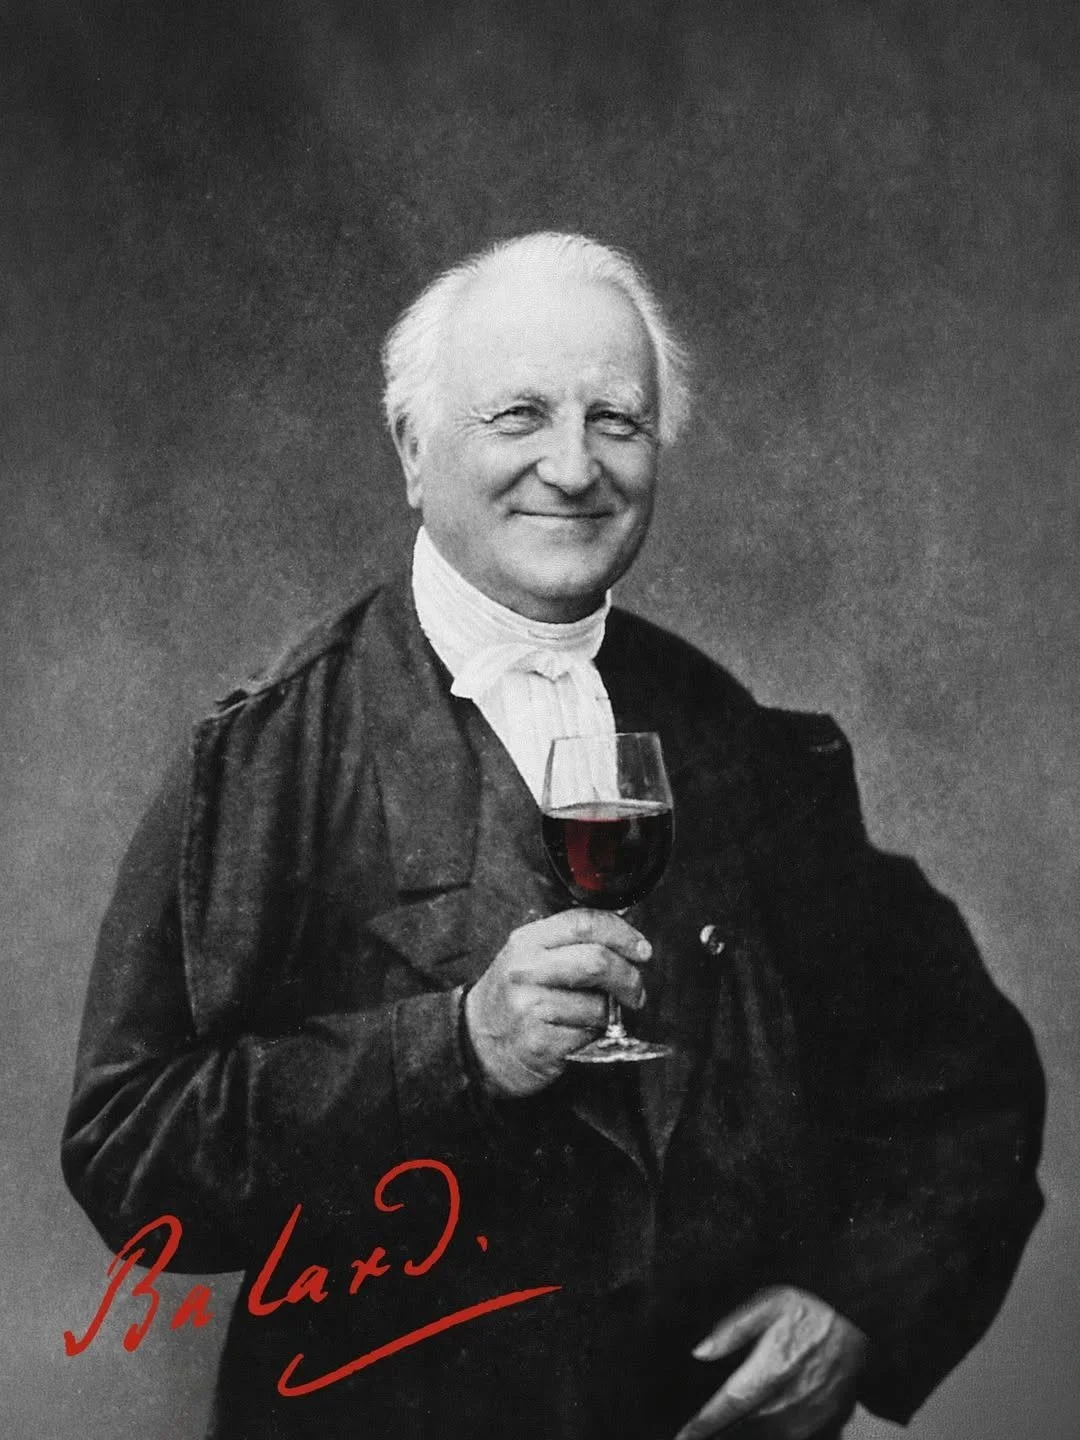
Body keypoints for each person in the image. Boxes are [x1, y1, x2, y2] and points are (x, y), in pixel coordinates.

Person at [62, 232, 1045, 1440]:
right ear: (413, 449)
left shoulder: (733, 735)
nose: (573, 468)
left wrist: (860, 1302)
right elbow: (129, 1150)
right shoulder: (267, 752)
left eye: (615, 420)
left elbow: (969, 1075)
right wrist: (456, 1049)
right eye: (519, 415)